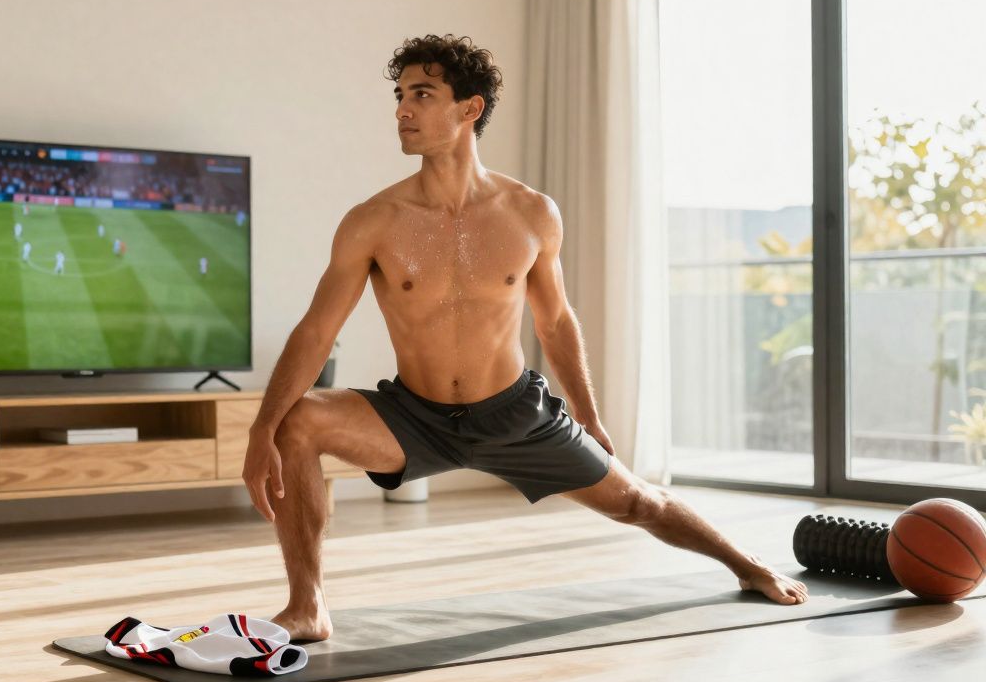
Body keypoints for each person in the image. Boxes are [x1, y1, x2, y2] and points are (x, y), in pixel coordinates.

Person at [240, 34, 808, 643]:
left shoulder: (531, 213)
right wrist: (260, 429)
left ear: (469, 109)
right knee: (297, 421)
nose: (402, 110)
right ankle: (308, 605)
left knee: (639, 503)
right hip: (413, 416)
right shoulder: (373, 221)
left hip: (514, 413)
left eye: (422, 95)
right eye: (400, 96)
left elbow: (556, 320)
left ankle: (748, 566)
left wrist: (589, 417)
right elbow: (317, 330)